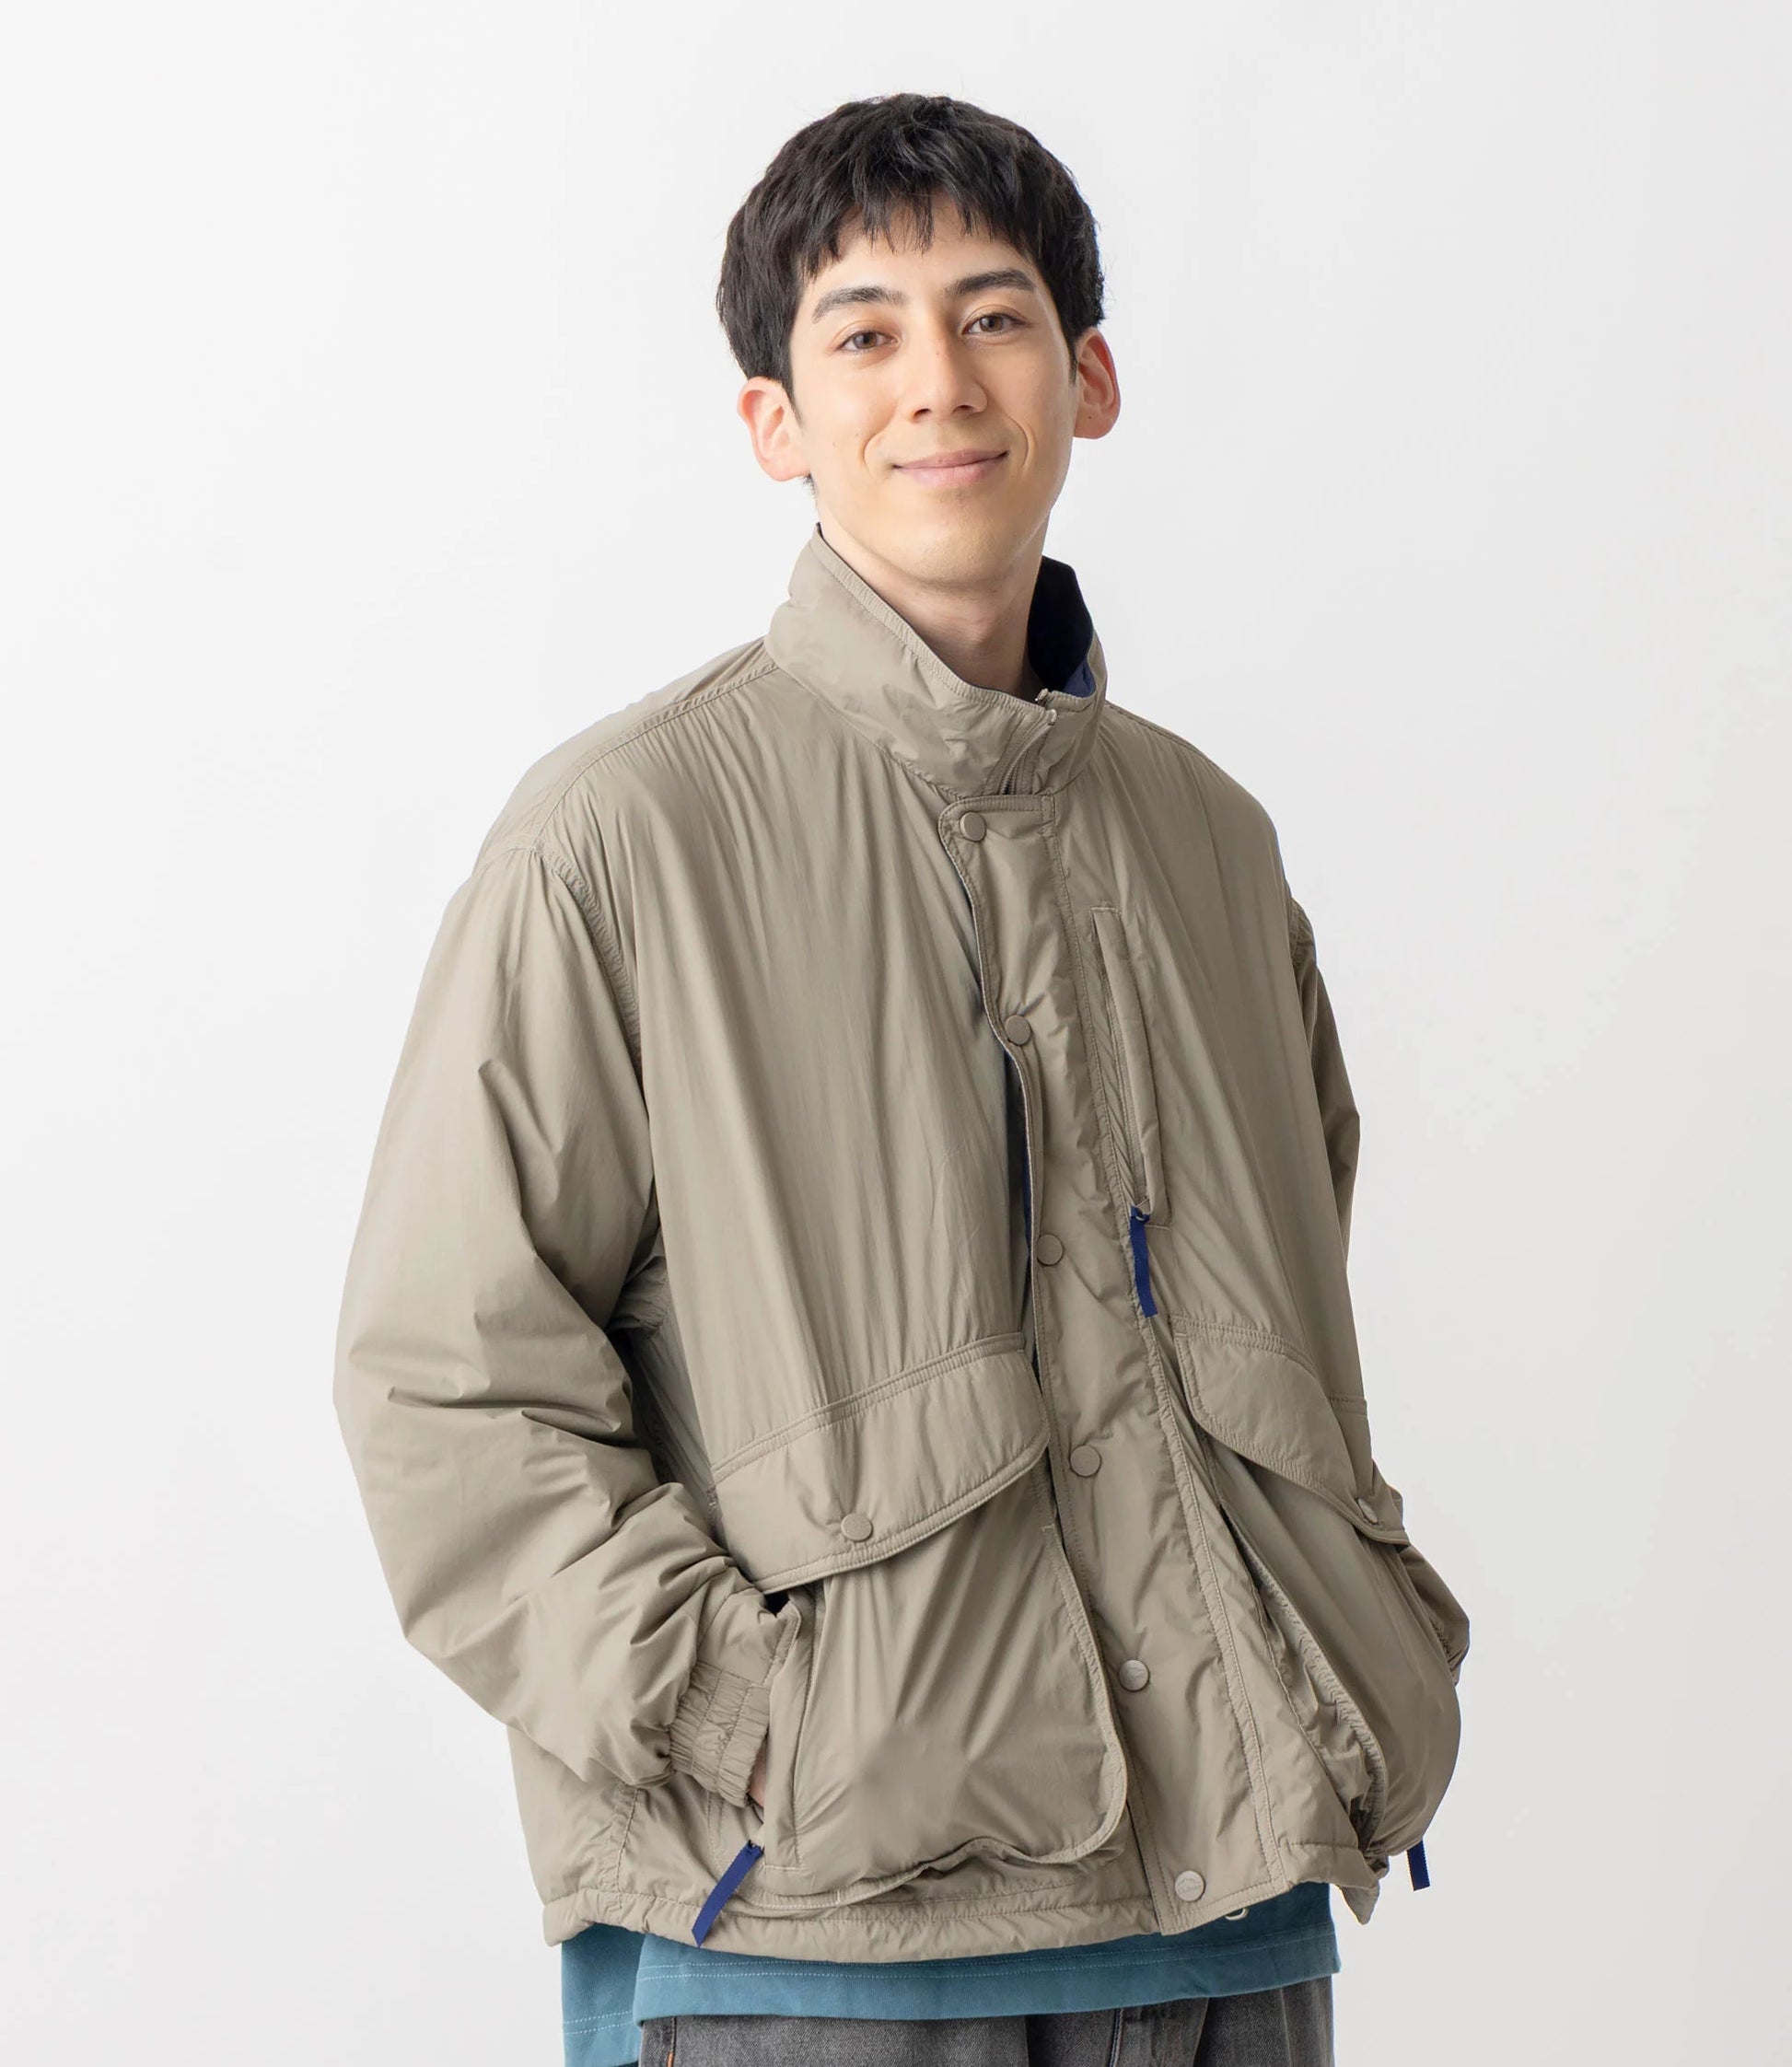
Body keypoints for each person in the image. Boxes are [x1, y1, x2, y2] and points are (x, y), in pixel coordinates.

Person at [333, 90, 1470, 2067]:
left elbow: (1280, 1288)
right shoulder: (621, 836)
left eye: (994, 316)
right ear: (773, 418)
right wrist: (757, 1720)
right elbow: (449, 1378)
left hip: (1232, 1919)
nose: (938, 380)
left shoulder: (1208, 842)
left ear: (1086, 376)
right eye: (863, 331)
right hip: (814, 1947)